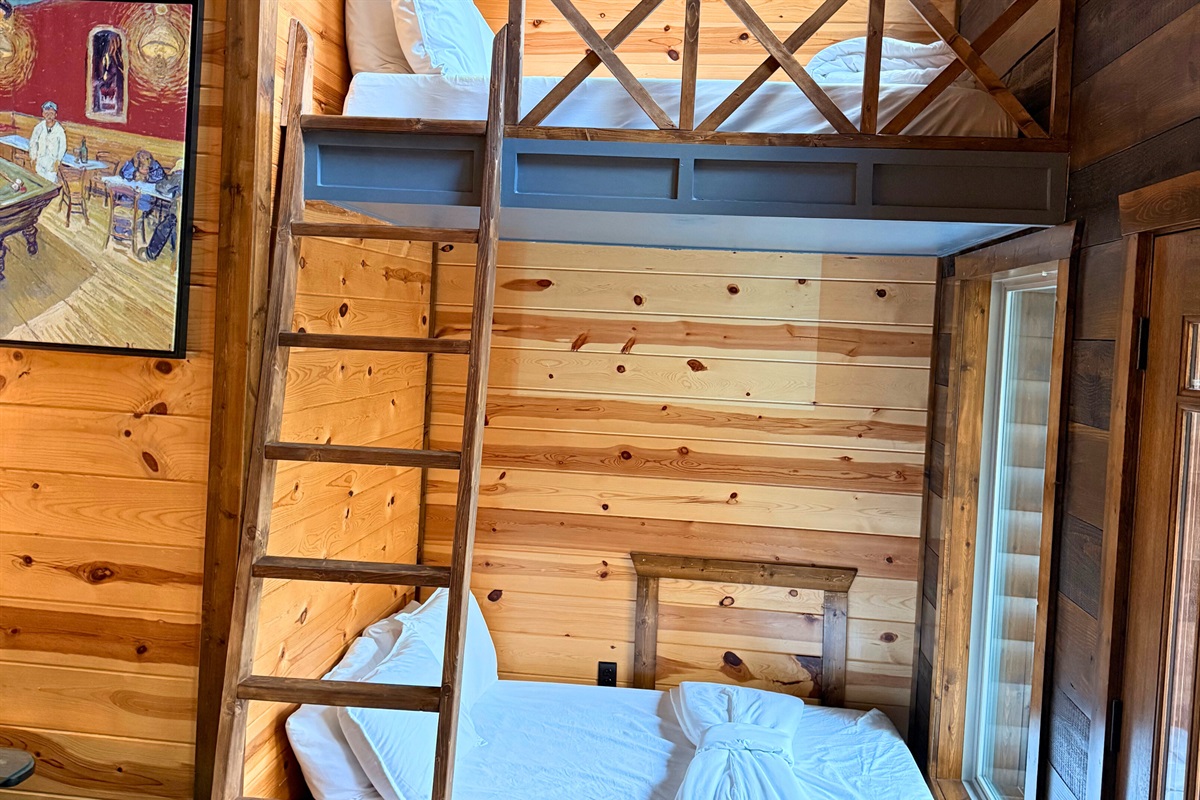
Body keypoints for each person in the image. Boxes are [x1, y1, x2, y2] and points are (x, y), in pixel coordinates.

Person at [28, 101, 66, 182]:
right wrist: (33, 157)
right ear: (43, 114)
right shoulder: (39, 127)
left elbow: (63, 147)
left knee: (50, 183)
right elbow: (33, 142)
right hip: (40, 161)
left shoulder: (59, 130)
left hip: (52, 163)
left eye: (51, 113)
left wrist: (58, 161)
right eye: (46, 113)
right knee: (39, 182)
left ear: (56, 114)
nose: (49, 116)